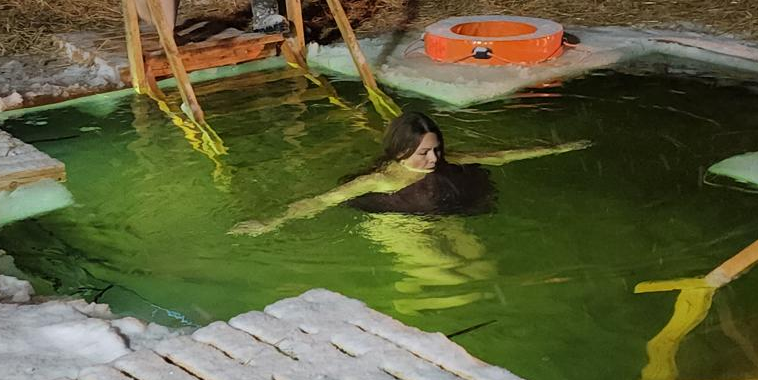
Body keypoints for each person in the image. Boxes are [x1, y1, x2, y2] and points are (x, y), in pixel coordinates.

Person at [230, 112, 591, 235]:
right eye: (423, 153)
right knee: (439, 271)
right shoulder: (379, 180)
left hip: (437, 214)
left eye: (436, 150)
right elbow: (320, 201)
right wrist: (270, 222)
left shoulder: (443, 161)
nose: (433, 158)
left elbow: (500, 156)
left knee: (477, 265)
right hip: (397, 223)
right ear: (402, 151)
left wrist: (557, 148)